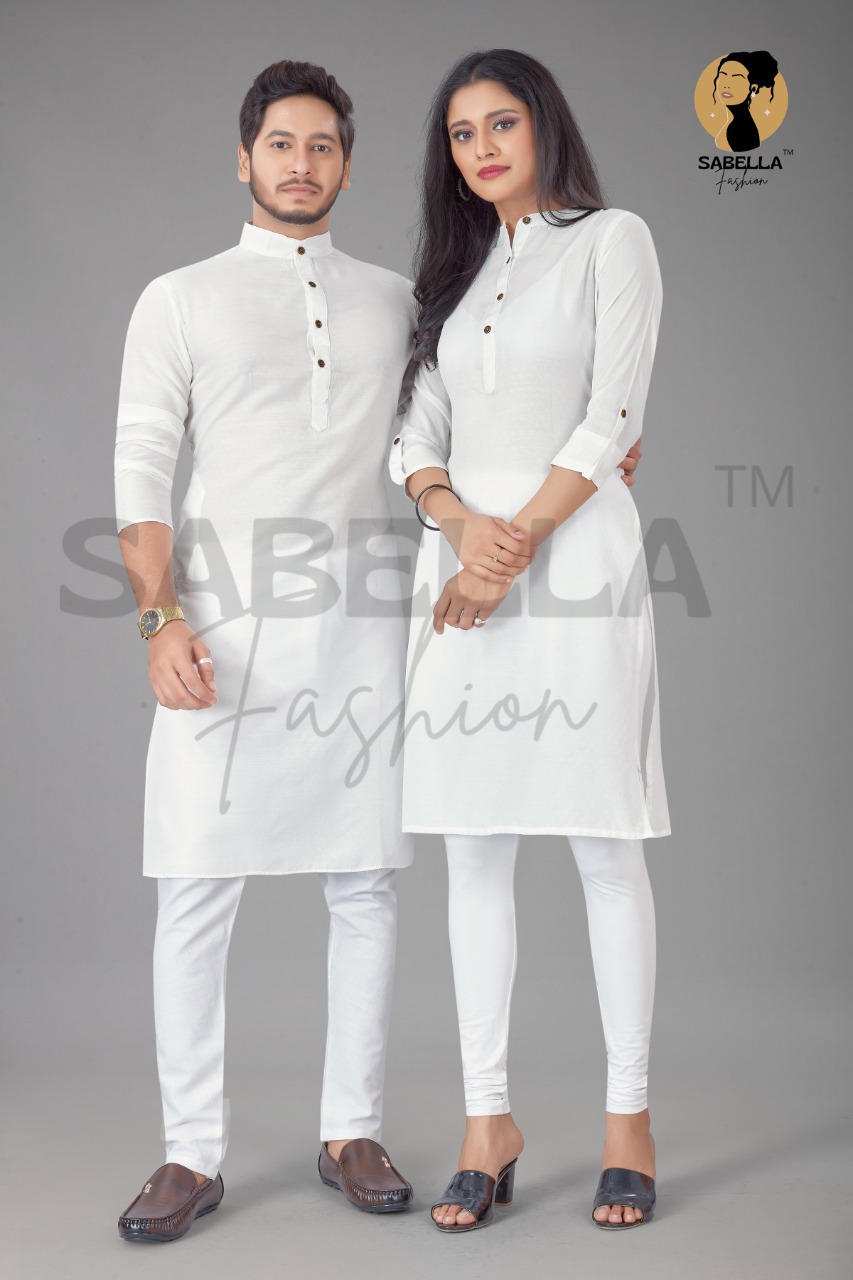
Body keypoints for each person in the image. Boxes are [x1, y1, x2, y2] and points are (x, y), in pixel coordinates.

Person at [114, 59, 419, 1243]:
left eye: (322, 145)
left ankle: (352, 1128)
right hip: (221, 632)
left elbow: (449, 432)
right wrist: (161, 619)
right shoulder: (179, 298)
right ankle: (190, 1150)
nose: (301, 163)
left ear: (347, 164)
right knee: (196, 885)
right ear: (243, 158)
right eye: (281, 144)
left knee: (367, 882)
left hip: (361, 630)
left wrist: (601, 451)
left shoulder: (396, 300)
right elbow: (142, 472)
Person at [388, 48, 670, 1233]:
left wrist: (515, 547)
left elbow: (612, 413)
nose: (482, 149)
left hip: (577, 563)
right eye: (461, 134)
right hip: (463, 576)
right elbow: (413, 440)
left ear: (544, 125)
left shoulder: (612, 241)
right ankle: (486, 1121)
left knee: (604, 843)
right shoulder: (453, 279)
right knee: (473, 849)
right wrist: (465, 533)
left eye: (500, 123)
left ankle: (627, 1118)